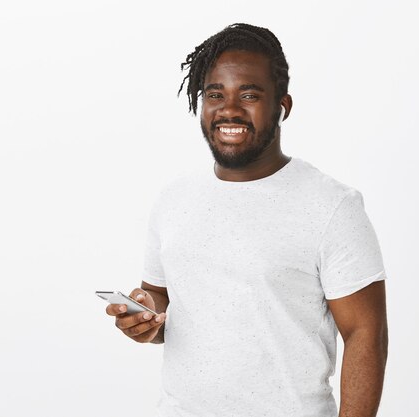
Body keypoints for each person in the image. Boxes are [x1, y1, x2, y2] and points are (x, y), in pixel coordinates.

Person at [104, 23, 388, 417]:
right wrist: (144, 319)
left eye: (249, 95)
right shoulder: (173, 200)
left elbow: (365, 334)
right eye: (215, 94)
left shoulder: (332, 205)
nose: (229, 110)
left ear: (282, 107)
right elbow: (162, 302)